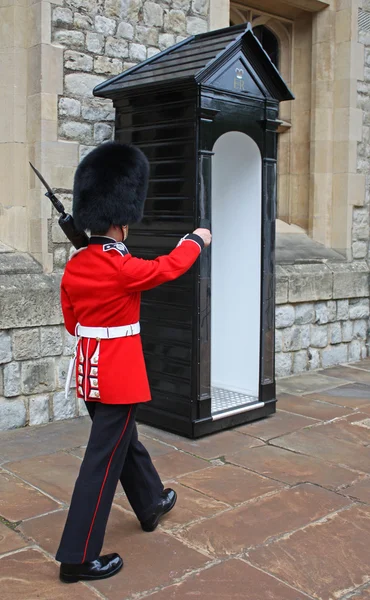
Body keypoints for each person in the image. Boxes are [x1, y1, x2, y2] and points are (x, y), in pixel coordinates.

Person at [55, 142, 211, 583]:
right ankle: (77, 556)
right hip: (119, 376)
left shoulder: (76, 266)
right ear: (121, 221)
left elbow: (72, 324)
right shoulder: (120, 266)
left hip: (88, 373)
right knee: (101, 463)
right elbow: (167, 267)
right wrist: (195, 240)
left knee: (125, 442)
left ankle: (150, 502)